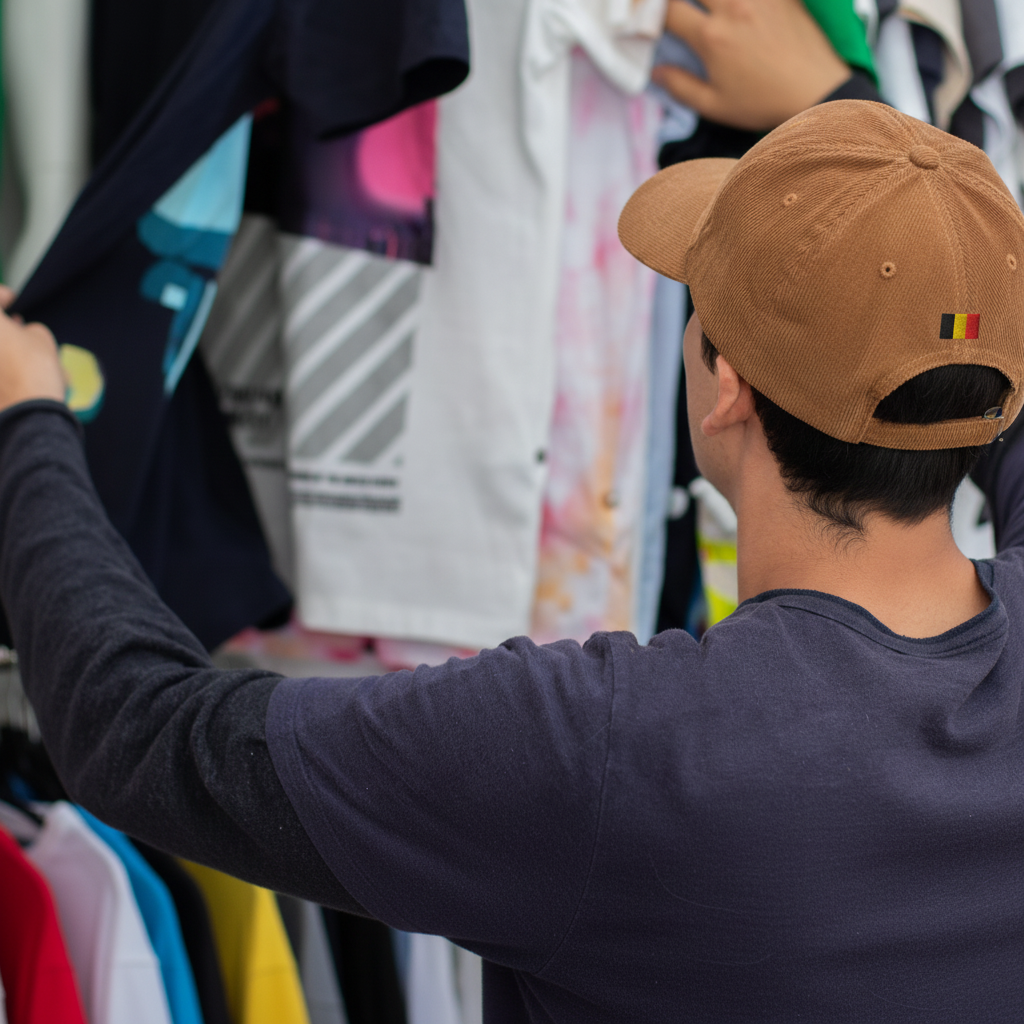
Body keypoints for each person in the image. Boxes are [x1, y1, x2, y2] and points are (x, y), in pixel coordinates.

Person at [1, 96, 1023, 1023]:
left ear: (729, 390)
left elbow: (133, 733)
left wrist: (26, 422)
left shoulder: (602, 752)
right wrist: (890, 214)